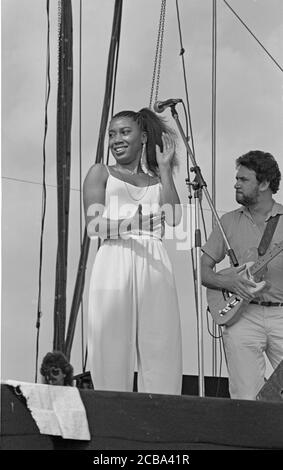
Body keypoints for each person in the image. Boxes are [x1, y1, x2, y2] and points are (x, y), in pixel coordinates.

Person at [83, 107, 183, 395]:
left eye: (125, 132)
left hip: (154, 260)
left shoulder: (155, 179)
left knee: (160, 341)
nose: (116, 139)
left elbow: (174, 217)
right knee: (111, 342)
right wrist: (132, 222)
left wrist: (165, 169)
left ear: (143, 138)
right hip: (114, 256)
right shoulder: (101, 172)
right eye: (112, 134)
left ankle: (163, 426)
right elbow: (93, 225)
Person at [201, 150, 283, 400]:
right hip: (242, 316)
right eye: (237, 178)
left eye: (243, 179)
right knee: (245, 398)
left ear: (265, 183)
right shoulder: (227, 221)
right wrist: (230, 282)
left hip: (281, 312)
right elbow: (204, 271)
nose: (236, 184)